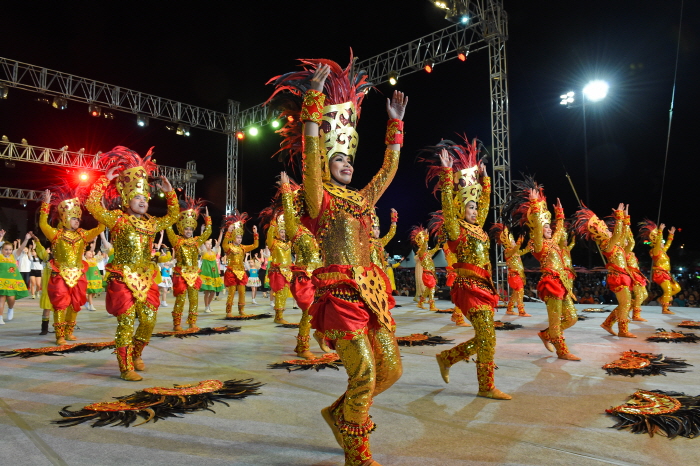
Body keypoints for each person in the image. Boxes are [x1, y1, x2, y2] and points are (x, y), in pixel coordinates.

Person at [268, 57, 407, 464]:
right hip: (341, 297)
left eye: (349, 158)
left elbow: (389, 169)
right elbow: (311, 158)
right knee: (363, 374)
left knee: (391, 371)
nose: (347, 163)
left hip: (374, 295)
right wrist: (313, 102)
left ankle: (336, 413)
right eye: (339, 159)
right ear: (327, 165)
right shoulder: (319, 197)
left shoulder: (363, 199)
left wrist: (394, 126)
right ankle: (357, 455)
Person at [85, 146, 179, 381]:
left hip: (147, 278)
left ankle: (136, 354)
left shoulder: (151, 223)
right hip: (122, 278)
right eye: (138, 197)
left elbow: (172, 217)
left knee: (148, 321)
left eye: (145, 198)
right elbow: (93, 206)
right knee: (126, 323)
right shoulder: (117, 220)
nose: (142, 201)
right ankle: (125, 367)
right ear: (127, 199)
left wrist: (170, 195)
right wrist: (102, 181)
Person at [427, 140, 511, 399]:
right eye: (470, 207)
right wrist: (447, 175)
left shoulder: (479, 229)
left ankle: (448, 357)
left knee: (487, 338)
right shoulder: (456, 229)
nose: (475, 210)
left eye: (475, 207)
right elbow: (449, 209)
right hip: (467, 288)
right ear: (460, 208)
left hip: (484, 286)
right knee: (487, 337)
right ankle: (486, 386)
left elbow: (484, 206)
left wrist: (485, 183)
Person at [505, 178, 579, 360]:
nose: (548, 228)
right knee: (555, 322)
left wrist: (560, 213)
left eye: (549, 226)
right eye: (545, 226)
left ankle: (546, 335)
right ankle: (562, 350)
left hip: (563, 283)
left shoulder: (553, 241)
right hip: (551, 283)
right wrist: (535, 207)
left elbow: (560, 230)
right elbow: (538, 229)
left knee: (572, 318)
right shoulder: (536, 244)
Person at [40, 186, 105, 344]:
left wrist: (101, 211)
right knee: (61, 305)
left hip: (78, 275)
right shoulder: (56, 234)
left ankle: (69, 332)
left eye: (78, 219)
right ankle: (60, 335)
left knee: (75, 305)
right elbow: (43, 225)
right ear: (65, 218)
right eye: (74, 218)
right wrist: (45, 205)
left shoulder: (82, 235)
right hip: (60, 274)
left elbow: (101, 228)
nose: (77, 221)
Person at [279, 172, 325, 358]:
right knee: (309, 310)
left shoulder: (316, 229)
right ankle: (302, 347)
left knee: (324, 309)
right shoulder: (294, 229)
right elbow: (288, 212)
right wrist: (286, 191)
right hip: (304, 277)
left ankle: (321, 335)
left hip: (321, 275)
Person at [574, 204, 636, 338]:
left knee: (627, 303)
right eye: (607, 230)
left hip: (624, 274)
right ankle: (622, 329)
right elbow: (618, 234)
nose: (609, 231)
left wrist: (626, 219)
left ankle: (608, 323)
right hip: (617, 276)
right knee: (625, 303)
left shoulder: (617, 246)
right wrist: (619, 217)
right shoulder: (607, 245)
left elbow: (628, 240)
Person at [165, 197, 211, 331]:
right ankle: (177, 323)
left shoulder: (197, 241)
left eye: (191, 229)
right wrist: (171, 213)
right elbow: (168, 228)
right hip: (180, 273)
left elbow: (207, 233)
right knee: (180, 299)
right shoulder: (176, 241)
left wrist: (208, 219)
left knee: (194, 299)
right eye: (186, 229)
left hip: (194, 274)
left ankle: (192, 322)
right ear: (181, 228)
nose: (189, 231)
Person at [222, 213, 259, 318]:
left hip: (241, 272)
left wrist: (255, 234)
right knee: (232, 292)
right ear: (234, 237)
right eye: (237, 237)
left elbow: (255, 245)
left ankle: (241, 310)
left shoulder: (243, 247)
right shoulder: (228, 247)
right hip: (232, 272)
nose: (239, 239)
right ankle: (229, 311)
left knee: (242, 292)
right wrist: (228, 231)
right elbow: (223, 244)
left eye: (240, 237)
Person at [490, 224, 531, 317]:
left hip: (518, 275)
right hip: (514, 275)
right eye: (512, 241)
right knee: (520, 291)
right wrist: (521, 237)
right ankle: (521, 311)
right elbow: (517, 248)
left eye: (513, 241)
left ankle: (509, 309)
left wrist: (528, 247)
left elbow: (521, 251)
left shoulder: (515, 251)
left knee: (516, 293)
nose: (513, 242)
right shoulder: (508, 251)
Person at [0, 230, 31, 324]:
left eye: (10, 249)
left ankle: (10, 308)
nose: (8, 251)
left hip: (12, 281)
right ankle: (0, 317)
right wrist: (1, 237)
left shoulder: (14, 256)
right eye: (6, 249)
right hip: (1, 281)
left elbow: (21, 249)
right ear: (1, 249)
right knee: (1, 299)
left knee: (11, 299)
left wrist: (26, 239)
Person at [622, 214, 648, 322]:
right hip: (632, 275)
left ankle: (628, 309)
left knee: (645, 295)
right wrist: (626, 222)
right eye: (625, 241)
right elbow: (631, 241)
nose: (627, 242)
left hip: (637, 274)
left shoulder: (631, 253)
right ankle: (635, 315)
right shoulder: (624, 251)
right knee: (638, 295)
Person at [410, 225, 441, 311]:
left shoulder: (427, 252)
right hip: (427, 274)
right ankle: (432, 305)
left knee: (428, 289)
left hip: (430, 273)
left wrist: (439, 242)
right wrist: (426, 237)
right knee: (432, 288)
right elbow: (424, 246)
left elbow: (435, 249)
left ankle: (420, 303)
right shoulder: (421, 252)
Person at [200, 229, 224, 312]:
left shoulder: (214, 251)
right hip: (206, 273)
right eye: (207, 244)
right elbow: (201, 240)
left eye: (210, 244)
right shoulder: (203, 251)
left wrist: (221, 233)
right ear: (205, 245)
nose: (209, 245)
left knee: (213, 291)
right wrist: (202, 230)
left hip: (213, 273)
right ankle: (206, 306)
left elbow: (218, 243)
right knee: (207, 291)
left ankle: (209, 305)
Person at [84, 242, 103, 311]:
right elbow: (92, 250)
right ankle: (91, 305)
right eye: (89, 253)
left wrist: (95, 241)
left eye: (91, 253)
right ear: (85, 255)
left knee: (94, 292)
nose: (90, 254)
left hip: (96, 277)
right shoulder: (85, 261)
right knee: (90, 292)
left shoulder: (94, 259)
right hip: (89, 278)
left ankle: (87, 302)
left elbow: (92, 250)